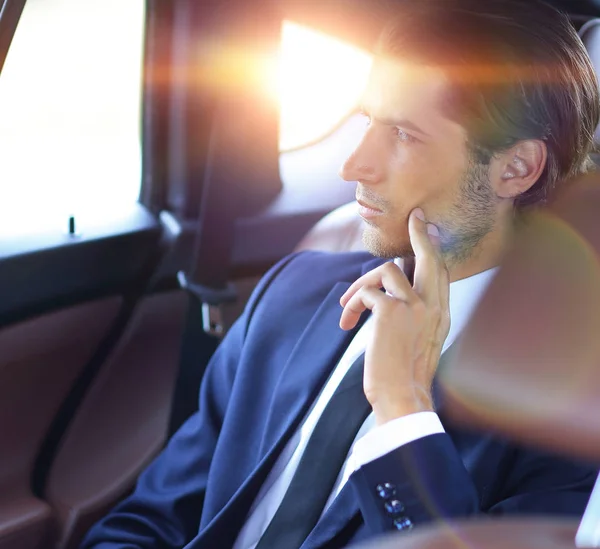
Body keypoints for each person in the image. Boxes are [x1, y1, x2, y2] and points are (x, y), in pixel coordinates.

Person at [81, 1, 600, 548]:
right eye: (368, 121)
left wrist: (403, 407)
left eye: (403, 134)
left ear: (516, 168)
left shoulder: (572, 401)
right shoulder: (292, 292)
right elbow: (148, 522)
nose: (353, 166)